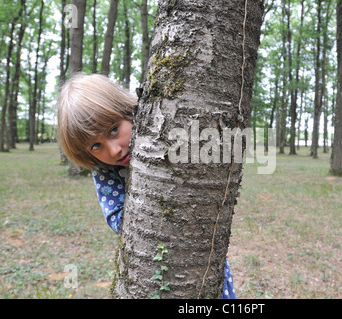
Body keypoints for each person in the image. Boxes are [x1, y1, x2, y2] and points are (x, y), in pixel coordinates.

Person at [56, 73, 236, 299]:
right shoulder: (104, 170)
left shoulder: (162, 133)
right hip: (151, 261)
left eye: (114, 130)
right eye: (95, 145)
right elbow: (116, 216)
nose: (114, 151)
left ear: (128, 111)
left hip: (200, 249)